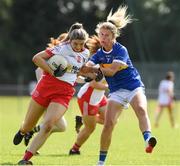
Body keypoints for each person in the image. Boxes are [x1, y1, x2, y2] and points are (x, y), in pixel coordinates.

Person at [13, 22, 102, 165]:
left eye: (81, 44)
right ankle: (23, 131)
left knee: (48, 125)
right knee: (28, 126)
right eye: (76, 44)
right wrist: (52, 70)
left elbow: (78, 69)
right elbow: (36, 58)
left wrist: (93, 72)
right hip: (46, 87)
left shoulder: (85, 53)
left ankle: (25, 159)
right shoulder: (61, 48)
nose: (79, 47)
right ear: (70, 41)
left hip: (64, 93)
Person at [85, 5, 157, 166]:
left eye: (107, 35)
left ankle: (148, 139)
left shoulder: (120, 50)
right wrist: (80, 71)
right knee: (108, 124)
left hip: (133, 86)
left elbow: (111, 71)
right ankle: (101, 162)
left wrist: (94, 70)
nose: (103, 38)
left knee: (141, 109)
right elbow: (87, 69)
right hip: (116, 91)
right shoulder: (98, 54)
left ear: (113, 37)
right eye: (101, 34)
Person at [69, 36, 108, 154]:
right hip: (87, 98)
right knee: (90, 128)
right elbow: (93, 85)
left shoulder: (109, 64)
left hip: (99, 97)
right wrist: (110, 87)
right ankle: (74, 149)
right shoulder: (97, 66)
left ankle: (83, 119)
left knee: (109, 120)